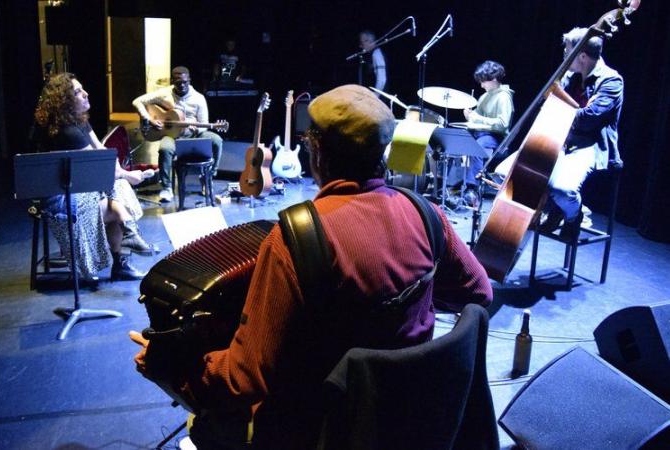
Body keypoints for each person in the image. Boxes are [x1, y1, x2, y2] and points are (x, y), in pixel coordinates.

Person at [130, 85, 492, 449]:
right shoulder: (426, 214)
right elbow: (478, 292)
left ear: (317, 150)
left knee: (208, 425)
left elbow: (245, 378)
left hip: (321, 430)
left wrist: (171, 368)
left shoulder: (295, 240)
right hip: (410, 419)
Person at [33, 73, 146, 280]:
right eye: (77, 92)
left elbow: (103, 152)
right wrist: (128, 176)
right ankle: (127, 238)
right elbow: (99, 168)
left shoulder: (80, 121)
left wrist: (123, 174)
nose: (86, 94)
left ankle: (126, 244)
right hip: (64, 198)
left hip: (82, 186)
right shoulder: (67, 131)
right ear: (64, 100)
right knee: (118, 197)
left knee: (119, 189)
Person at [540, 27, 623, 235]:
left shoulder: (612, 81)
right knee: (507, 173)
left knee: (563, 189)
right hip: (564, 139)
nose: (565, 57)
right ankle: (557, 210)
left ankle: (574, 217)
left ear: (583, 56)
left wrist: (564, 110)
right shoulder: (572, 76)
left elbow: (588, 119)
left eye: (568, 52)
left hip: (591, 145)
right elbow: (549, 103)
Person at [132, 66, 224, 202]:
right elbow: (137, 101)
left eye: (185, 82)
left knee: (217, 141)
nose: (182, 85)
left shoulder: (199, 98)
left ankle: (208, 178)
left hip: (194, 136)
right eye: (178, 82)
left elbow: (204, 123)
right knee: (165, 149)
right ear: (172, 81)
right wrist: (148, 118)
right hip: (172, 136)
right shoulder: (164, 94)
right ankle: (167, 187)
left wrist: (196, 129)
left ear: (189, 80)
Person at [462, 60, 514, 206]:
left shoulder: (504, 96)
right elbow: (477, 119)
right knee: (460, 140)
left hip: (496, 138)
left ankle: (472, 188)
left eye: (483, 81)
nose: (481, 85)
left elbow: (503, 124)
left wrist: (477, 118)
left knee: (477, 147)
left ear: (494, 79)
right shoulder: (484, 97)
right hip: (481, 134)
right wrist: (470, 116)